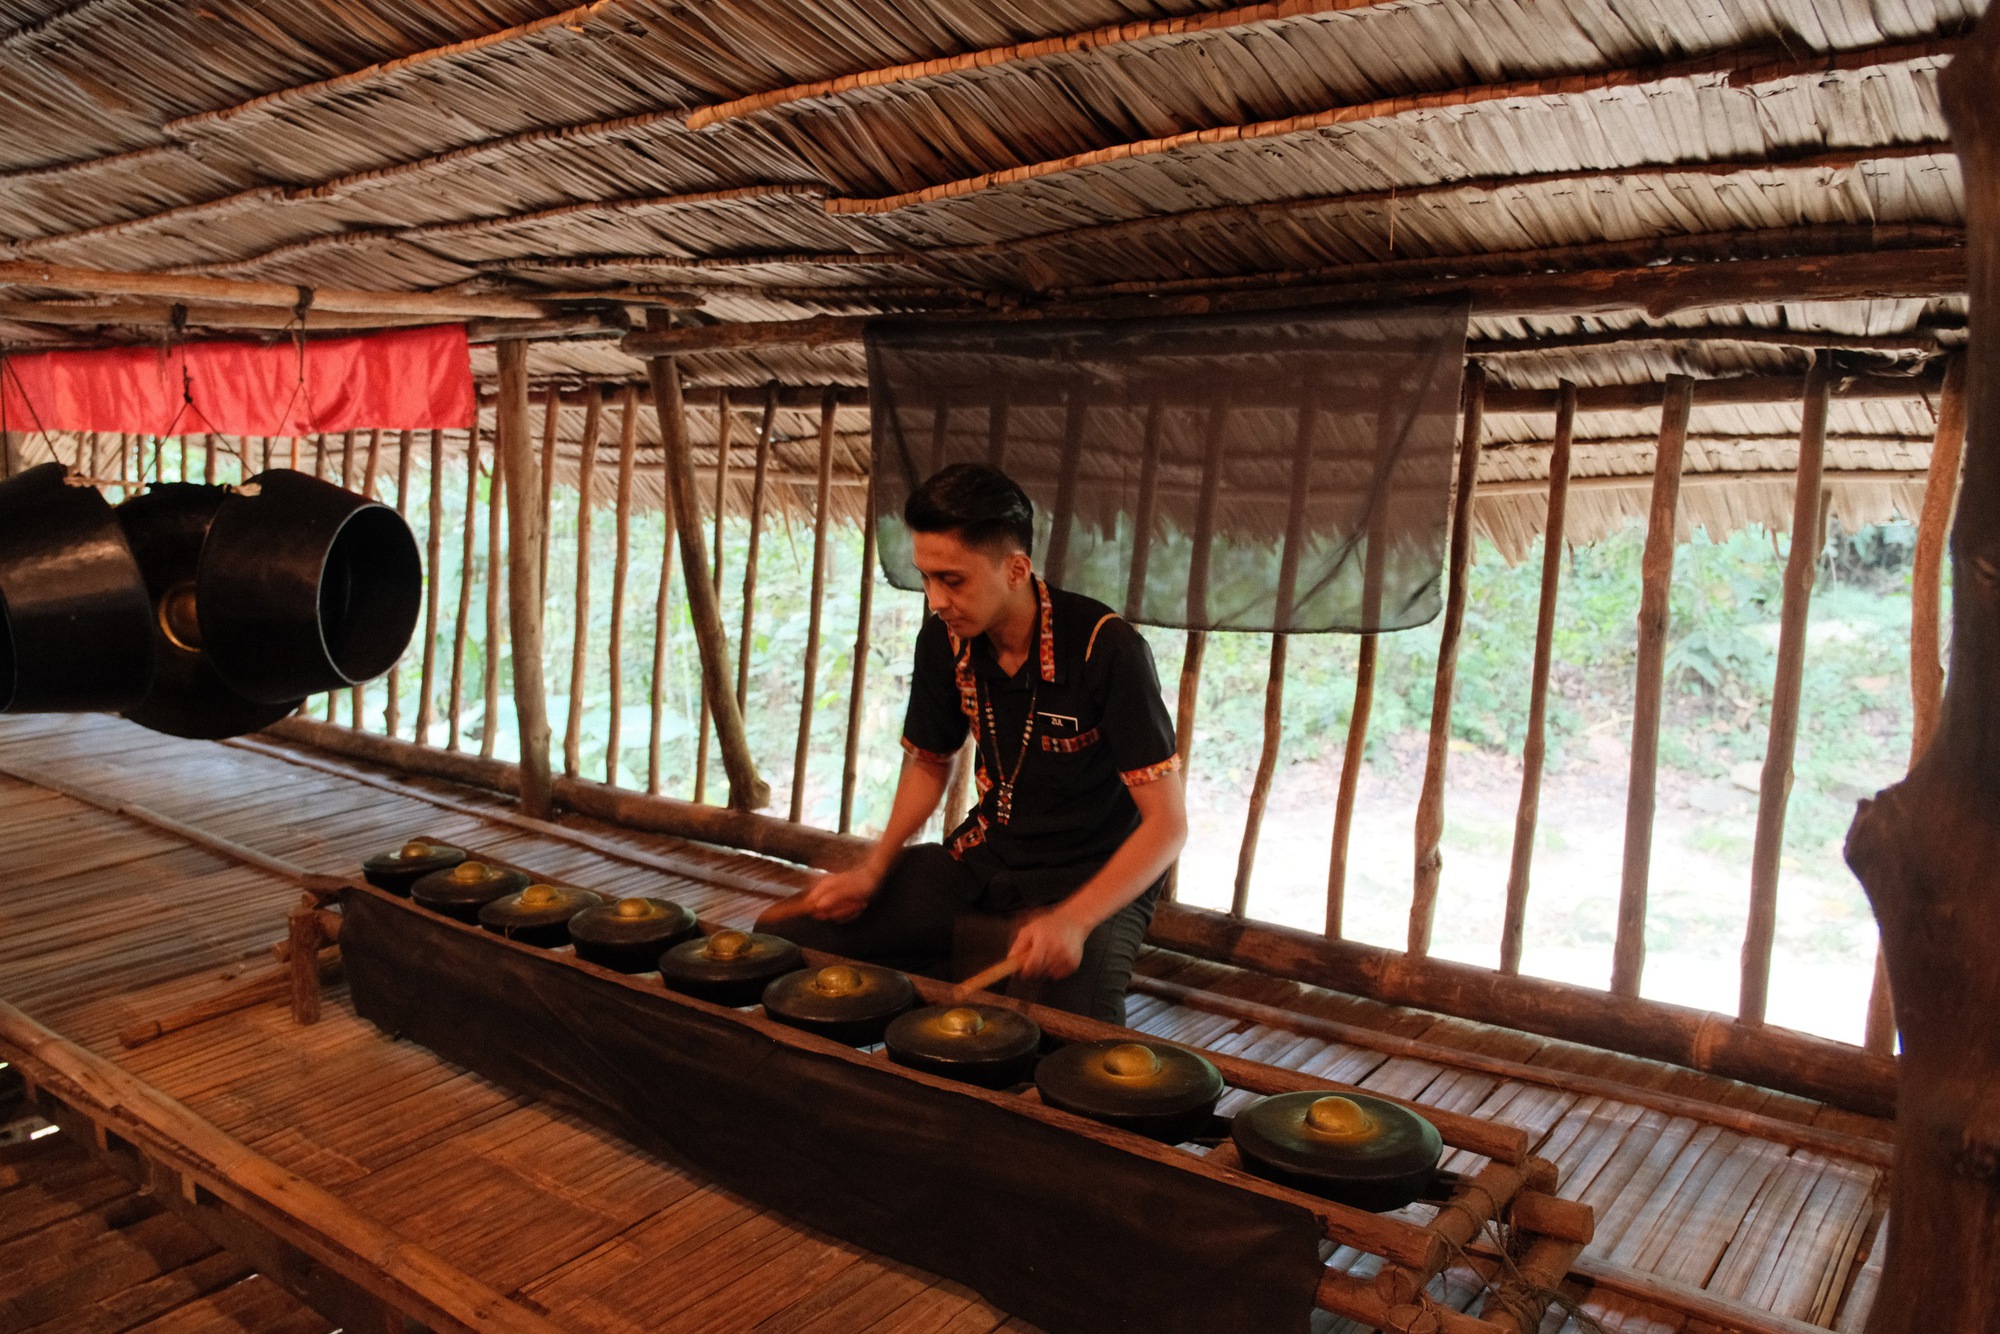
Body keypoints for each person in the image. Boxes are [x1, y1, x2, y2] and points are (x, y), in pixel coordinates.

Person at [759, 463, 1186, 1022]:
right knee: (788, 940)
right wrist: (873, 868)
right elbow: (928, 765)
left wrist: (1075, 921)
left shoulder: (1104, 649)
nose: (935, 599)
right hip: (986, 858)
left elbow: (1167, 827)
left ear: (1015, 569)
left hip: (1094, 876)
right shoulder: (944, 639)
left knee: (1076, 1040)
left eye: (952, 580)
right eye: (927, 577)